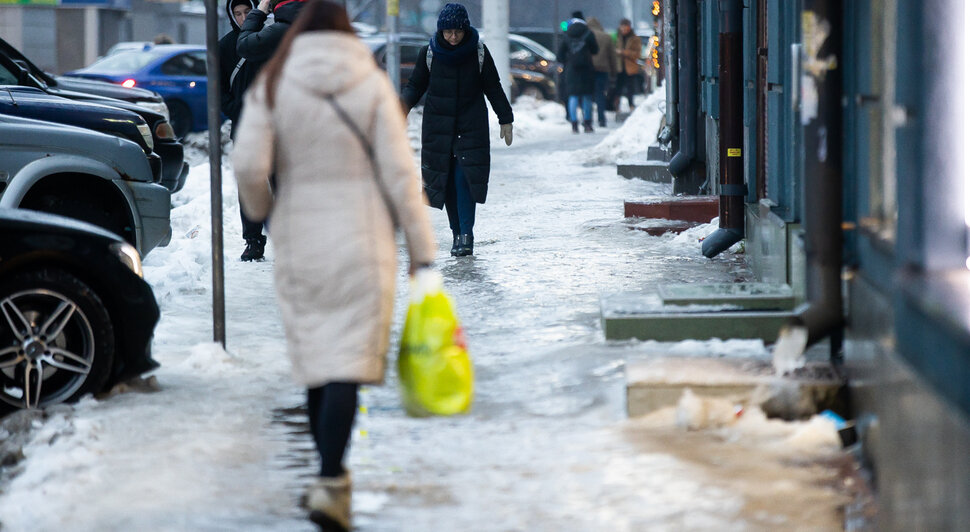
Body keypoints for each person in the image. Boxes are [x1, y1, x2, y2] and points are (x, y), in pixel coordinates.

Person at [231, 1, 437, 528]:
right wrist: (423, 253)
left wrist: (262, 215)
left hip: (299, 237)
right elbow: (399, 175)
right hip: (363, 238)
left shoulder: (275, 83)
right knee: (347, 358)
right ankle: (331, 476)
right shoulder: (369, 84)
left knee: (317, 355)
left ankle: (326, 480)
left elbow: (250, 164)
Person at [401, 2, 514, 257]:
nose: (452, 37)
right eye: (447, 32)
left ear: (465, 30)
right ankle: (456, 234)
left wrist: (505, 118)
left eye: (457, 32)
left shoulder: (478, 53)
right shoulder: (428, 53)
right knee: (446, 183)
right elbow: (415, 86)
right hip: (438, 128)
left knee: (464, 180)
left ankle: (466, 234)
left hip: (469, 126)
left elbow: (493, 87)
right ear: (441, 31)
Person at [219, 0, 268, 261]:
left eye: (247, 12)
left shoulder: (269, 39)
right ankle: (253, 241)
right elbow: (219, 90)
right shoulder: (226, 46)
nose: (242, 18)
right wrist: (236, 109)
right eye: (237, 14)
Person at [557, 11, 599, 133]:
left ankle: (574, 124)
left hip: (572, 70)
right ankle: (587, 123)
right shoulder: (588, 33)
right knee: (586, 97)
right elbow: (595, 50)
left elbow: (559, 55)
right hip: (586, 69)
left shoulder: (567, 34)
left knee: (573, 96)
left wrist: (569, 60)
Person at [236, 0, 308, 62]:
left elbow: (244, 47)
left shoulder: (283, 27)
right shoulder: (314, 18)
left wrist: (257, 14)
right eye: (238, 14)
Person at [587, 17, 617, 128]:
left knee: (588, 95)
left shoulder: (586, 36)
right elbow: (612, 56)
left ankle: (588, 119)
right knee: (600, 94)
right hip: (603, 69)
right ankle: (601, 119)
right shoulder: (606, 37)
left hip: (589, 70)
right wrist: (614, 72)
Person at [615, 18, 642, 113]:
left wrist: (623, 52)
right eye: (622, 28)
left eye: (625, 28)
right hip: (619, 67)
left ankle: (631, 105)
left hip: (630, 67)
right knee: (618, 87)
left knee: (630, 88)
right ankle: (616, 106)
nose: (624, 31)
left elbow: (637, 54)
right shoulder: (617, 37)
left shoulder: (635, 39)